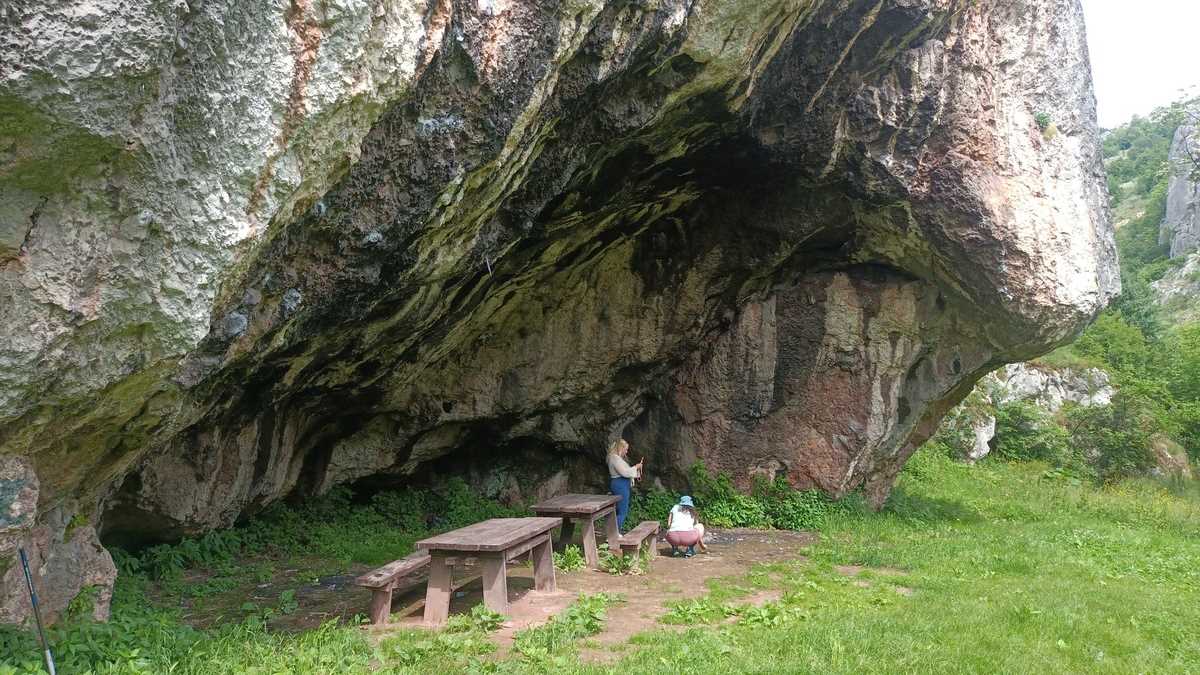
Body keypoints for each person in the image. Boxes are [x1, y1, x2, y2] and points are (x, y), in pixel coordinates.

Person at [607, 438, 642, 531]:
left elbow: (626, 472)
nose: (626, 452)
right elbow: (625, 472)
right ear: (620, 448)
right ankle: (614, 534)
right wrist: (636, 467)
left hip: (621, 485)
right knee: (622, 511)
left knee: (620, 510)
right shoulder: (615, 458)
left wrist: (636, 470)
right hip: (620, 485)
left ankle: (615, 532)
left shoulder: (616, 458)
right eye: (625, 449)